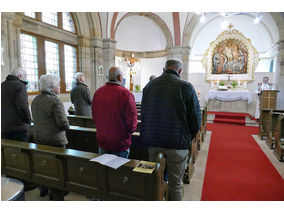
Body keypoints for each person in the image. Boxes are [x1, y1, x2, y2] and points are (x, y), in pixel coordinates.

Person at [141, 58, 201, 201]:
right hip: (176, 143)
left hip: (153, 141)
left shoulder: (149, 86)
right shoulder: (186, 86)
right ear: (180, 71)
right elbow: (196, 118)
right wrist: (189, 137)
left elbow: (144, 113)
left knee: (155, 181)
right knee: (175, 184)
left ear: (163, 69)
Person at [92, 67, 137, 158]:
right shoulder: (125, 94)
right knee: (118, 172)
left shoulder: (98, 92)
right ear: (120, 77)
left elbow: (94, 115)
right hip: (120, 142)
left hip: (103, 140)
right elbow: (132, 121)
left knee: (105, 171)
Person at [31, 74, 69, 147]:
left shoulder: (35, 100)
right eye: (58, 85)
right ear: (52, 88)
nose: (60, 87)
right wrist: (67, 125)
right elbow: (63, 124)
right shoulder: (56, 101)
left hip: (39, 138)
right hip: (54, 140)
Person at [1, 67, 31, 141]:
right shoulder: (20, 86)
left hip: (3, 127)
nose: (25, 80)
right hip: (18, 128)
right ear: (20, 76)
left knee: (9, 151)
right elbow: (23, 106)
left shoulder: (1, 85)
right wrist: (28, 120)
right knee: (21, 151)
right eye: (24, 78)